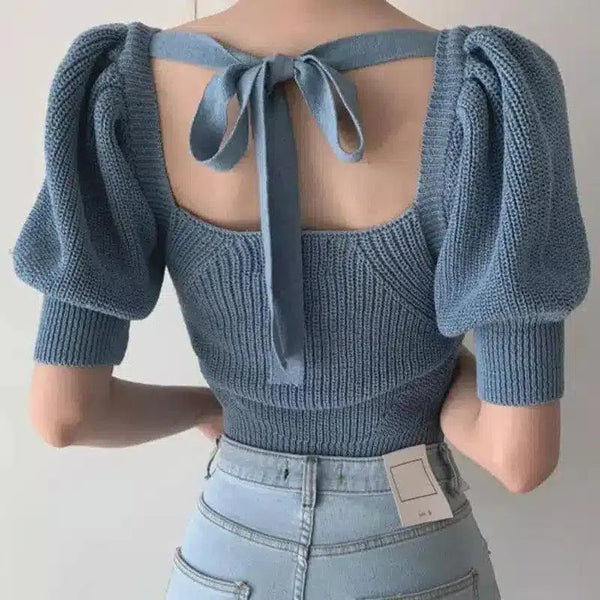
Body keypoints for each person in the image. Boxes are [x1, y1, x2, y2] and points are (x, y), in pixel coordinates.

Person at [11, 1, 591, 598]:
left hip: (227, 554)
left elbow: (66, 416)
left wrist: (208, 406)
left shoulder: (123, 84)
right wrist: (435, 374)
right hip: (411, 551)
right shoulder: (488, 89)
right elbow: (518, 456)